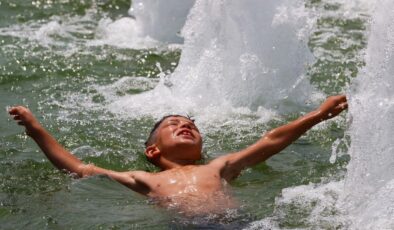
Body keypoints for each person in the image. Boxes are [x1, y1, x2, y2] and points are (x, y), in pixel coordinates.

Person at [8, 95, 347, 216]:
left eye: (190, 126)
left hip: (241, 224)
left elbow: (271, 140)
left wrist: (317, 115)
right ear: (152, 150)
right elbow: (80, 168)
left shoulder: (220, 167)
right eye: (174, 125)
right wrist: (36, 130)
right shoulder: (146, 178)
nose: (185, 126)